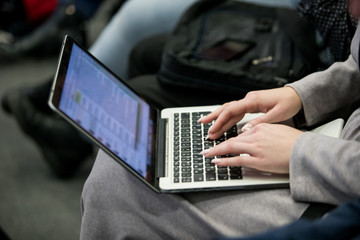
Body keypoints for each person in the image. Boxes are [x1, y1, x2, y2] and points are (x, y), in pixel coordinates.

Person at [79, 1, 360, 239]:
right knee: (123, 160)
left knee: (114, 187)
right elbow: (356, 66)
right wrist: (300, 96)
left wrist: (299, 150)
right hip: (337, 149)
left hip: (338, 197)